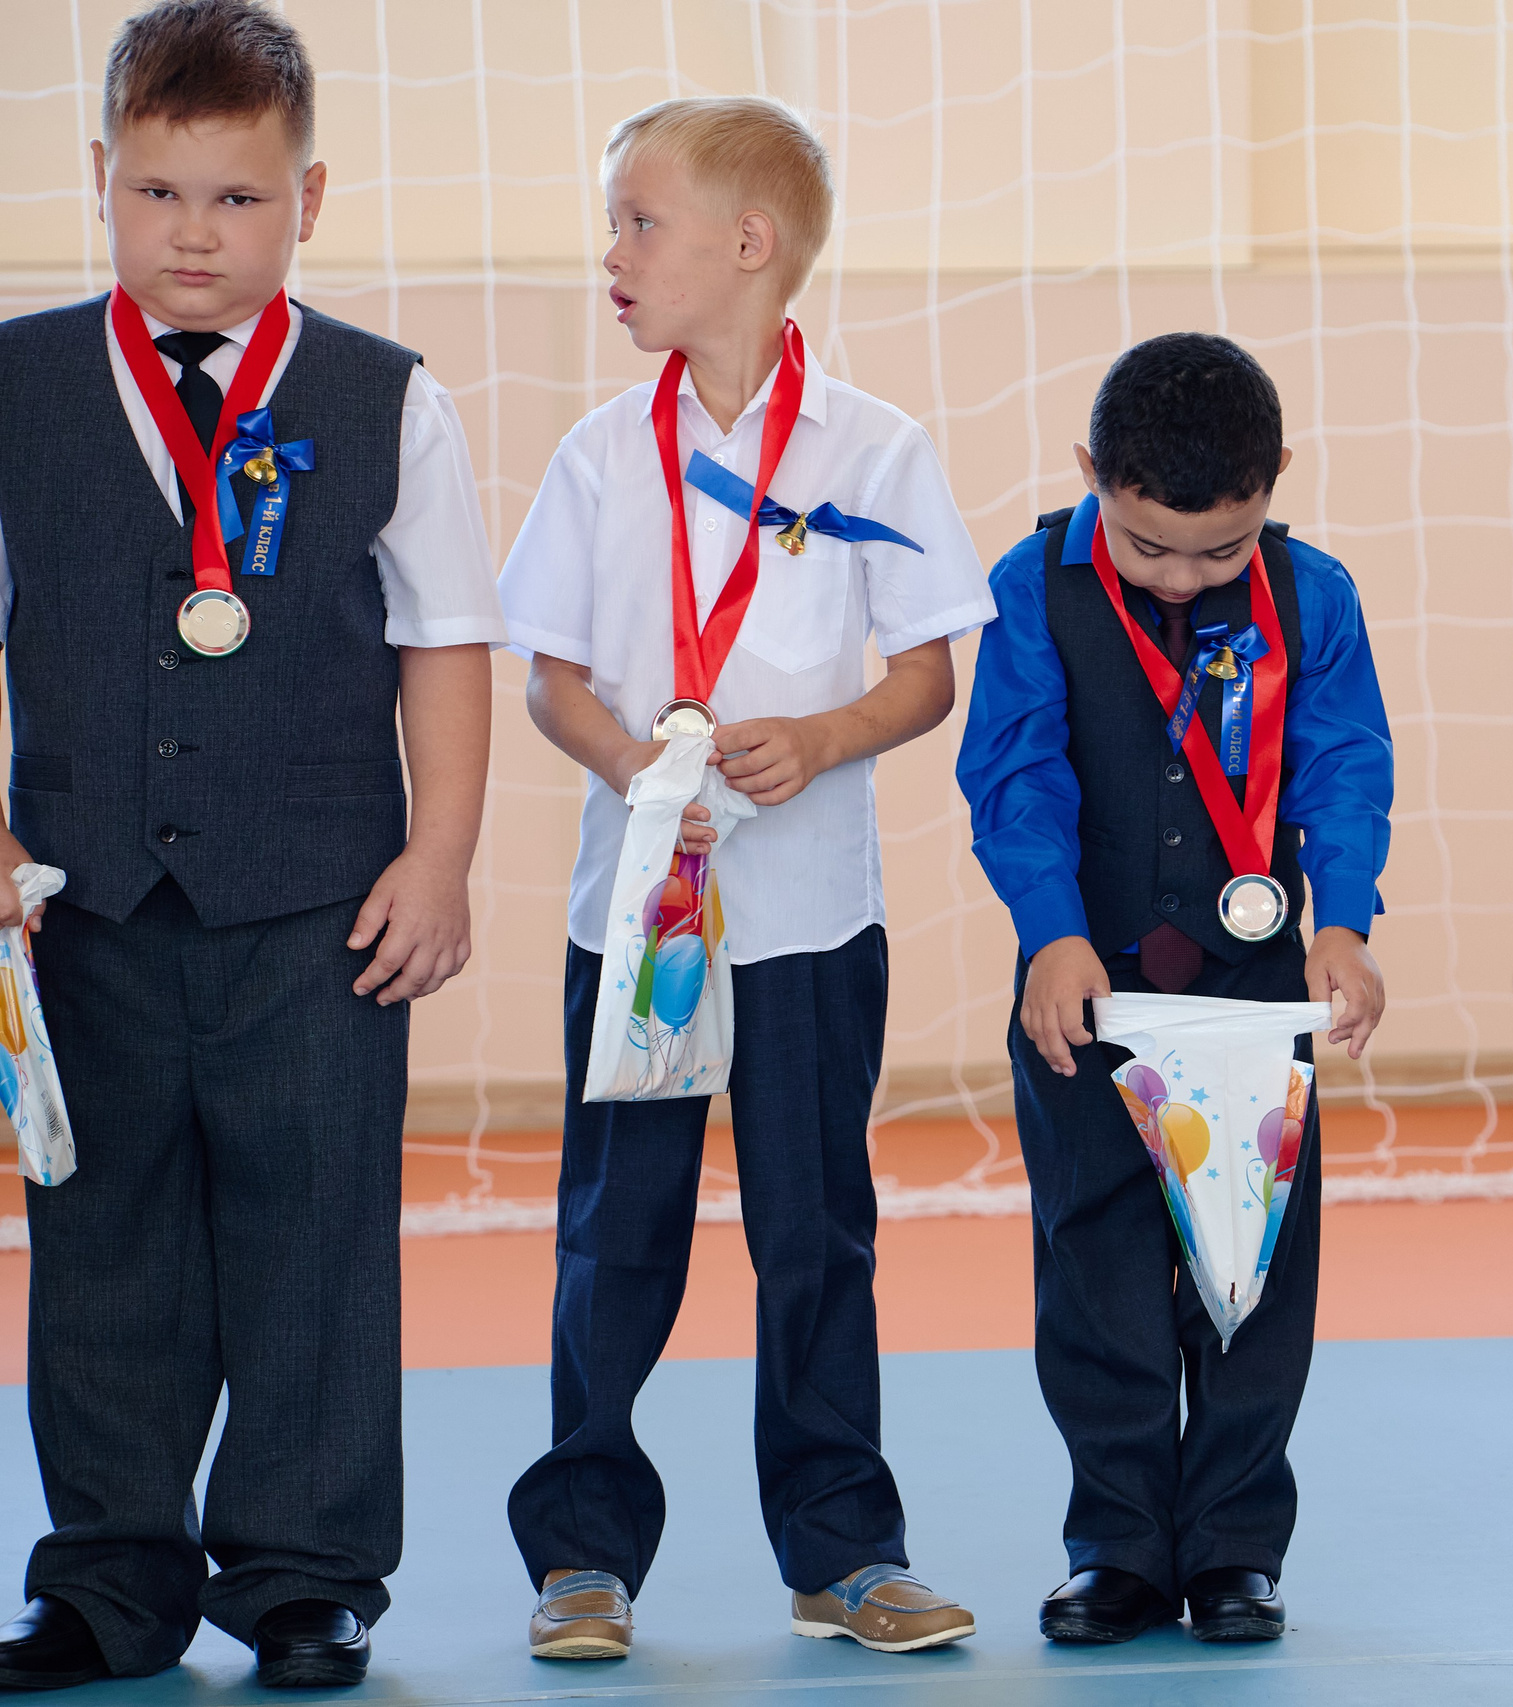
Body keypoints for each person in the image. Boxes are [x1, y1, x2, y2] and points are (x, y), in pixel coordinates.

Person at [0, 0, 506, 1689]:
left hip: (321, 902)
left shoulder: (385, 400)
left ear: (310, 197)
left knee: (318, 1235)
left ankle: (304, 1572)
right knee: (101, 1239)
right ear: (98, 180)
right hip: (86, 902)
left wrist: (438, 861)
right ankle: (108, 1582)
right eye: (157, 196)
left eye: (236, 200)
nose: (194, 235)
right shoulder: (15, 383)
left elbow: (443, 641)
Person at [494, 95, 995, 1662]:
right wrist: (637, 763)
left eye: (640, 223)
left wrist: (827, 734)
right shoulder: (597, 456)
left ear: (748, 244)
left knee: (815, 1231)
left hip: (809, 926)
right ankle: (583, 1556)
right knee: (615, 1234)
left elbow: (928, 672)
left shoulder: (877, 447)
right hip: (636, 923)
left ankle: (844, 1552)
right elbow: (550, 679)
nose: (614, 256)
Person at [956, 333, 1392, 1644]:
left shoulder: (1315, 596)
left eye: (1222, 548)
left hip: (1259, 989)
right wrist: (1048, 932)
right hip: (1082, 983)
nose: (1189, 576)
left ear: (1275, 482)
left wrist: (1347, 922)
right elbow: (1016, 770)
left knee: (1247, 1272)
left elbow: (1343, 764)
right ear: (1092, 476)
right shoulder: (1030, 587)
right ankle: (1121, 1547)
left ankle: (1235, 1552)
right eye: (1151, 549)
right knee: (1096, 1264)